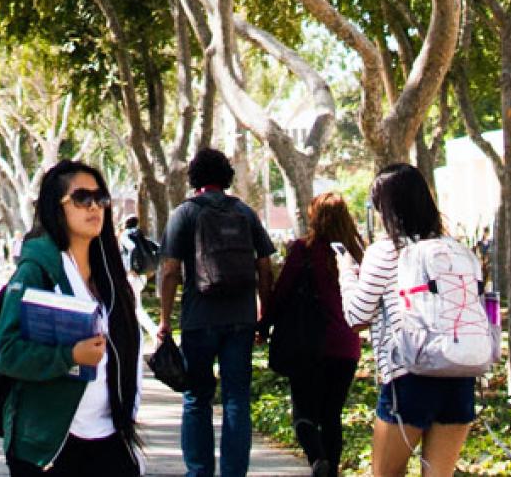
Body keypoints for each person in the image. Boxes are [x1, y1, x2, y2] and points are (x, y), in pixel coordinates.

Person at [0, 160, 143, 474]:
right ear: (56, 208)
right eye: (81, 198)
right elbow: (6, 352)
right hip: (52, 443)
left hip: (110, 437)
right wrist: (70, 356)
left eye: (100, 198)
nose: (94, 207)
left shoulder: (111, 277)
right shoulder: (37, 271)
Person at [339, 163, 478, 477]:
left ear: (386, 208)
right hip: (459, 375)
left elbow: (356, 317)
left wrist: (347, 274)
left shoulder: (385, 252)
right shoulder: (456, 250)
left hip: (409, 377)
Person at [156, 148, 276, 477]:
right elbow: (265, 268)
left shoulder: (185, 213)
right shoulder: (246, 213)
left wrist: (165, 320)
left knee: (197, 398)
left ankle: (199, 471)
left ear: (194, 178)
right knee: (237, 399)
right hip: (240, 319)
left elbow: (169, 272)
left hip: (199, 320)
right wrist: (264, 315)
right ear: (226, 177)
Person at [267, 193, 365, 477]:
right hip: (346, 346)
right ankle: (331, 469)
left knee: (304, 413)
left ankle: (317, 459)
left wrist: (264, 324)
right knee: (332, 415)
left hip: (309, 344)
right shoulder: (357, 252)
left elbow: (283, 291)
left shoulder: (304, 249)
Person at [117, 216, 160, 338]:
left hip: (132, 277)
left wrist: (132, 268)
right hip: (142, 277)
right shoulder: (139, 235)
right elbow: (158, 248)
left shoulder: (125, 235)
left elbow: (132, 248)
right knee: (133, 307)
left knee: (135, 308)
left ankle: (153, 332)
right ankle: (138, 335)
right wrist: (152, 267)